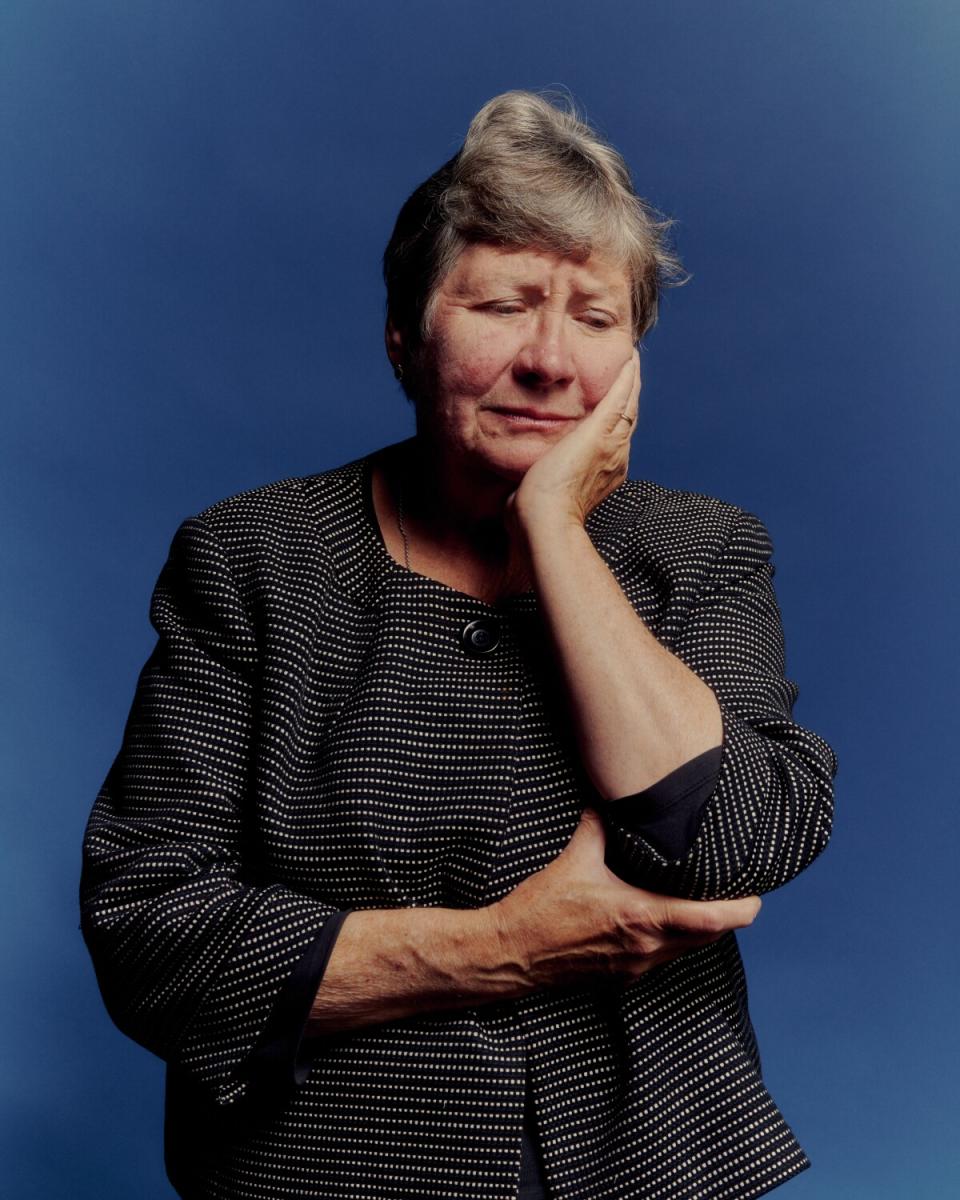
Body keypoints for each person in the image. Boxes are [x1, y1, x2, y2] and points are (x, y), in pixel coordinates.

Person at [80, 90, 839, 1200]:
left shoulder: (704, 547)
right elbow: (149, 929)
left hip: (643, 1165)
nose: (548, 359)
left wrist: (554, 530)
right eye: (503, 304)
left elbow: (728, 840)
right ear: (404, 335)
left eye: (593, 317)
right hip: (330, 1171)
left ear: (633, 362)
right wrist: (502, 948)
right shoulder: (250, 558)